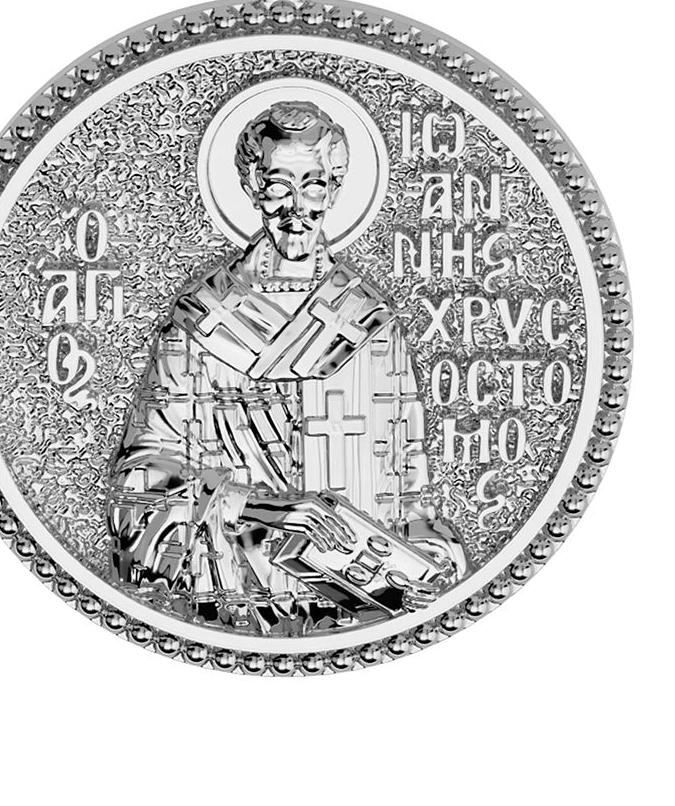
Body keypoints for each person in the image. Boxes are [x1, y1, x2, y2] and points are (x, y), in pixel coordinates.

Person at [108, 100, 468, 634]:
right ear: (252, 187)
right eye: (278, 186)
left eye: (314, 186)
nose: (296, 208)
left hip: (352, 608)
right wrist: (255, 507)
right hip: (230, 596)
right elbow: (138, 484)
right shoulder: (202, 321)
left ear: (335, 189)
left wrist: (429, 560)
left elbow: (409, 491)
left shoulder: (370, 321)